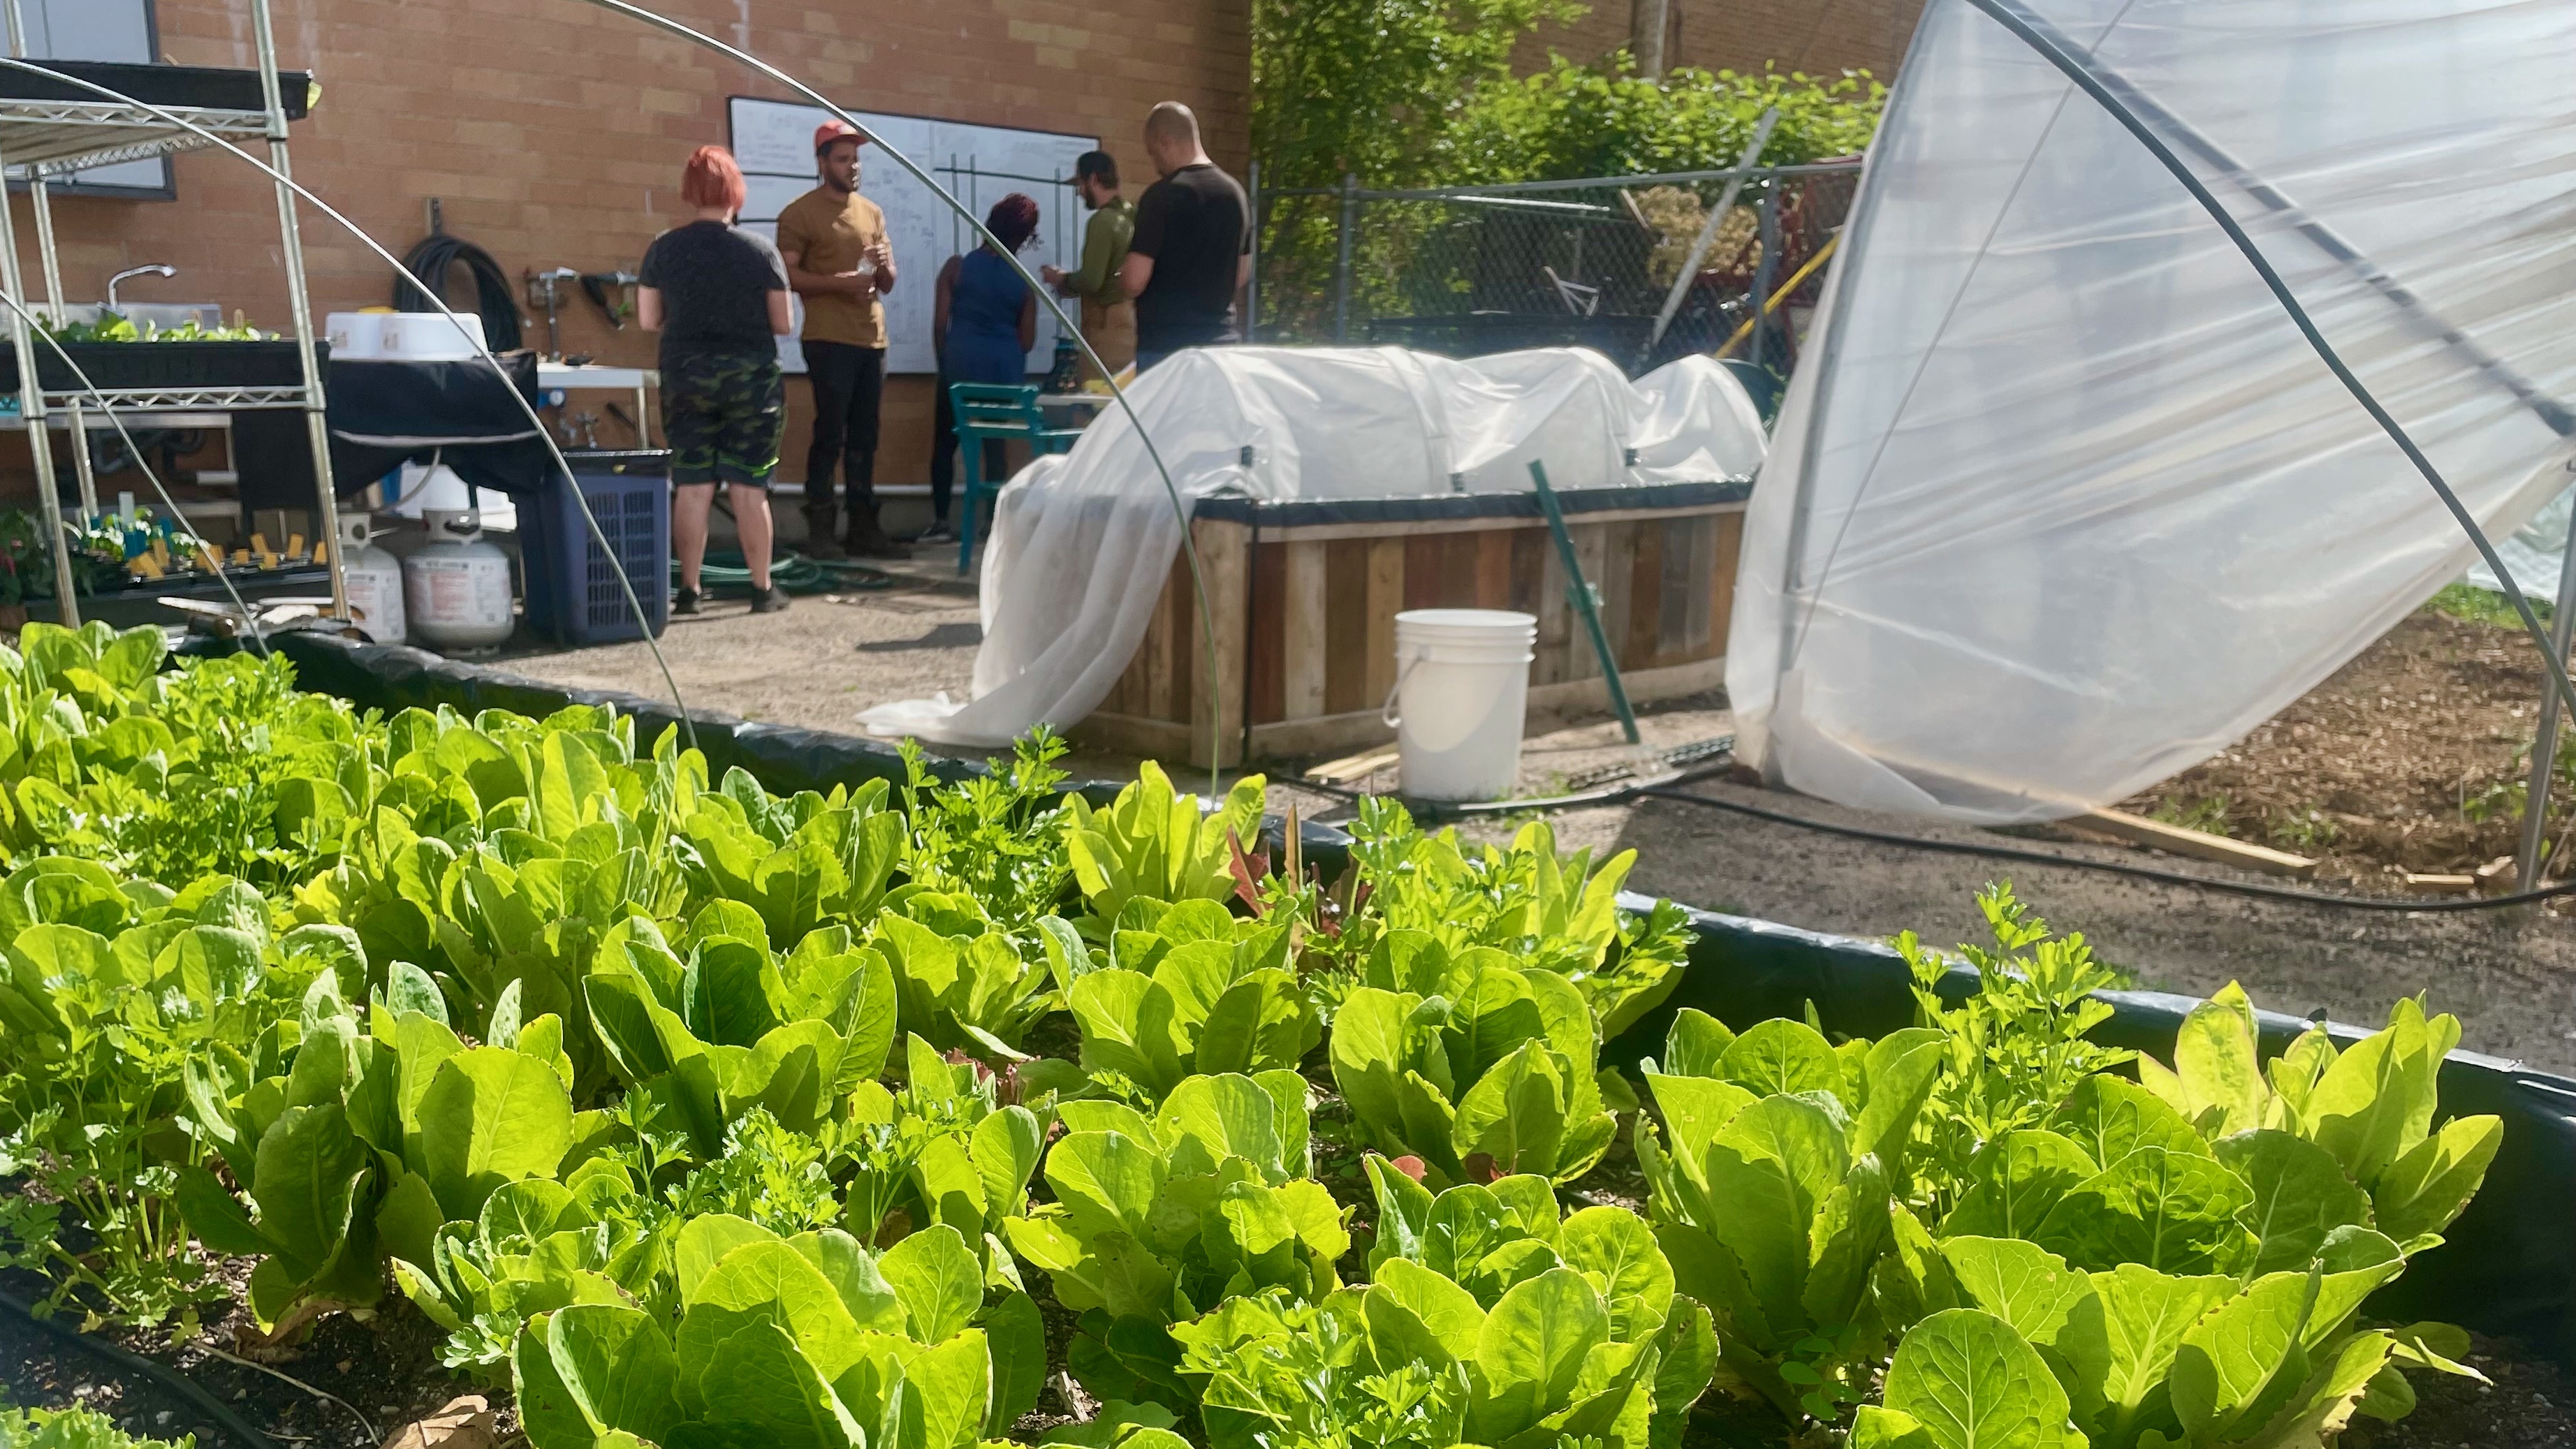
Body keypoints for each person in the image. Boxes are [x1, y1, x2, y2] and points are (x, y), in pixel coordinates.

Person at [637, 145, 792, 616]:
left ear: (690, 192)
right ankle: (762, 590)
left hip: (686, 377)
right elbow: (783, 323)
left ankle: (688, 591)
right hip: (751, 382)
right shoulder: (760, 251)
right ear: (735, 192)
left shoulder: (664, 248)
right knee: (749, 487)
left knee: (693, 485)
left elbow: (648, 320)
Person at [776, 119, 905, 560]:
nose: (853, 167)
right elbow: (788, 276)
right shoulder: (799, 213)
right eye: (843, 159)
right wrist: (840, 283)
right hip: (828, 340)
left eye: (856, 159)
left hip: (873, 339)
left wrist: (884, 265)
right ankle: (821, 530)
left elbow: (886, 283)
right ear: (822, 162)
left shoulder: (872, 212)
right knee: (830, 432)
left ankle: (864, 528)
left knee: (866, 435)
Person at [929, 195, 1041, 538]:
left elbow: (939, 324)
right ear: (1024, 237)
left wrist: (946, 363)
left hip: (959, 368)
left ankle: (941, 522)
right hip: (1002, 372)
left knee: (945, 445)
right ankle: (991, 524)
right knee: (994, 446)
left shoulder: (956, 267)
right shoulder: (1025, 282)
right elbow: (1027, 341)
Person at [1120, 102, 1248, 372]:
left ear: (1166, 141)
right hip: (1221, 348)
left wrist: (1124, 274)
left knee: (1162, 417)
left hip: (1167, 348)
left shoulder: (1161, 197)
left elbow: (1135, 281)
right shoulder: (1236, 194)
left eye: (1154, 155)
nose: (1156, 166)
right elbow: (1241, 274)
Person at [1040, 150, 1136, 381]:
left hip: (1105, 330)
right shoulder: (1132, 214)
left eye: (1081, 184)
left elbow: (1092, 281)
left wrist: (1061, 279)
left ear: (1093, 179)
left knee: (1095, 405)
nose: (1079, 192)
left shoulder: (1102, 221)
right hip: (1131, 327)